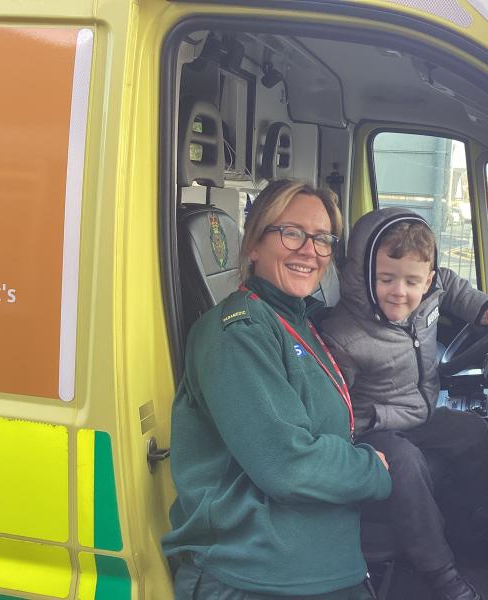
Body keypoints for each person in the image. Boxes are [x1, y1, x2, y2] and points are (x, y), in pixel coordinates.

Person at [163, 179, 392, 600]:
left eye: (322, 239)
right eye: (292, 233)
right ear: (253, 245)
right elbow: (288, 466)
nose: (310, 250)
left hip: (317, 564)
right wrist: (371, 469)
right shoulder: (237, 333)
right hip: (257, 576)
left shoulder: (295, 319)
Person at [321, 209, 488, 600]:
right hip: (369, 428)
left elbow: (450, 284)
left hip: (415, 412)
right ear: (364, 275)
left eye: (411, 281)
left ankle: (468, 521)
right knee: (406, 463)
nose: (399, 292)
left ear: (426, 280)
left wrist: (481, 308)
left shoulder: (428, 294)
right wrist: (352, 446)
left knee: (472, 431)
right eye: (386, 278)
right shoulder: (345, 335)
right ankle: (439, 570)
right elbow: (331, 408)